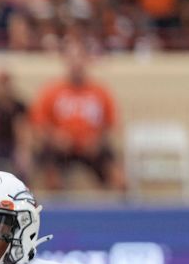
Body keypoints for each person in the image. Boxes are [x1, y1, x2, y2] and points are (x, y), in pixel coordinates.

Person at [31, 48, 123, 191]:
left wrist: (97, 140)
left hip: (92, 147)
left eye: (79, 63)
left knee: (116, 173)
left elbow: (110, 125)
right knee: (49, 164)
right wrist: (55, 137)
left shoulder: (99, 91)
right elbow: (39, 124)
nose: (76, 68)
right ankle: (56, 204)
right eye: (73, 63)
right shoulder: (52, 91)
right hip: (61, 148)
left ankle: (121, 207)